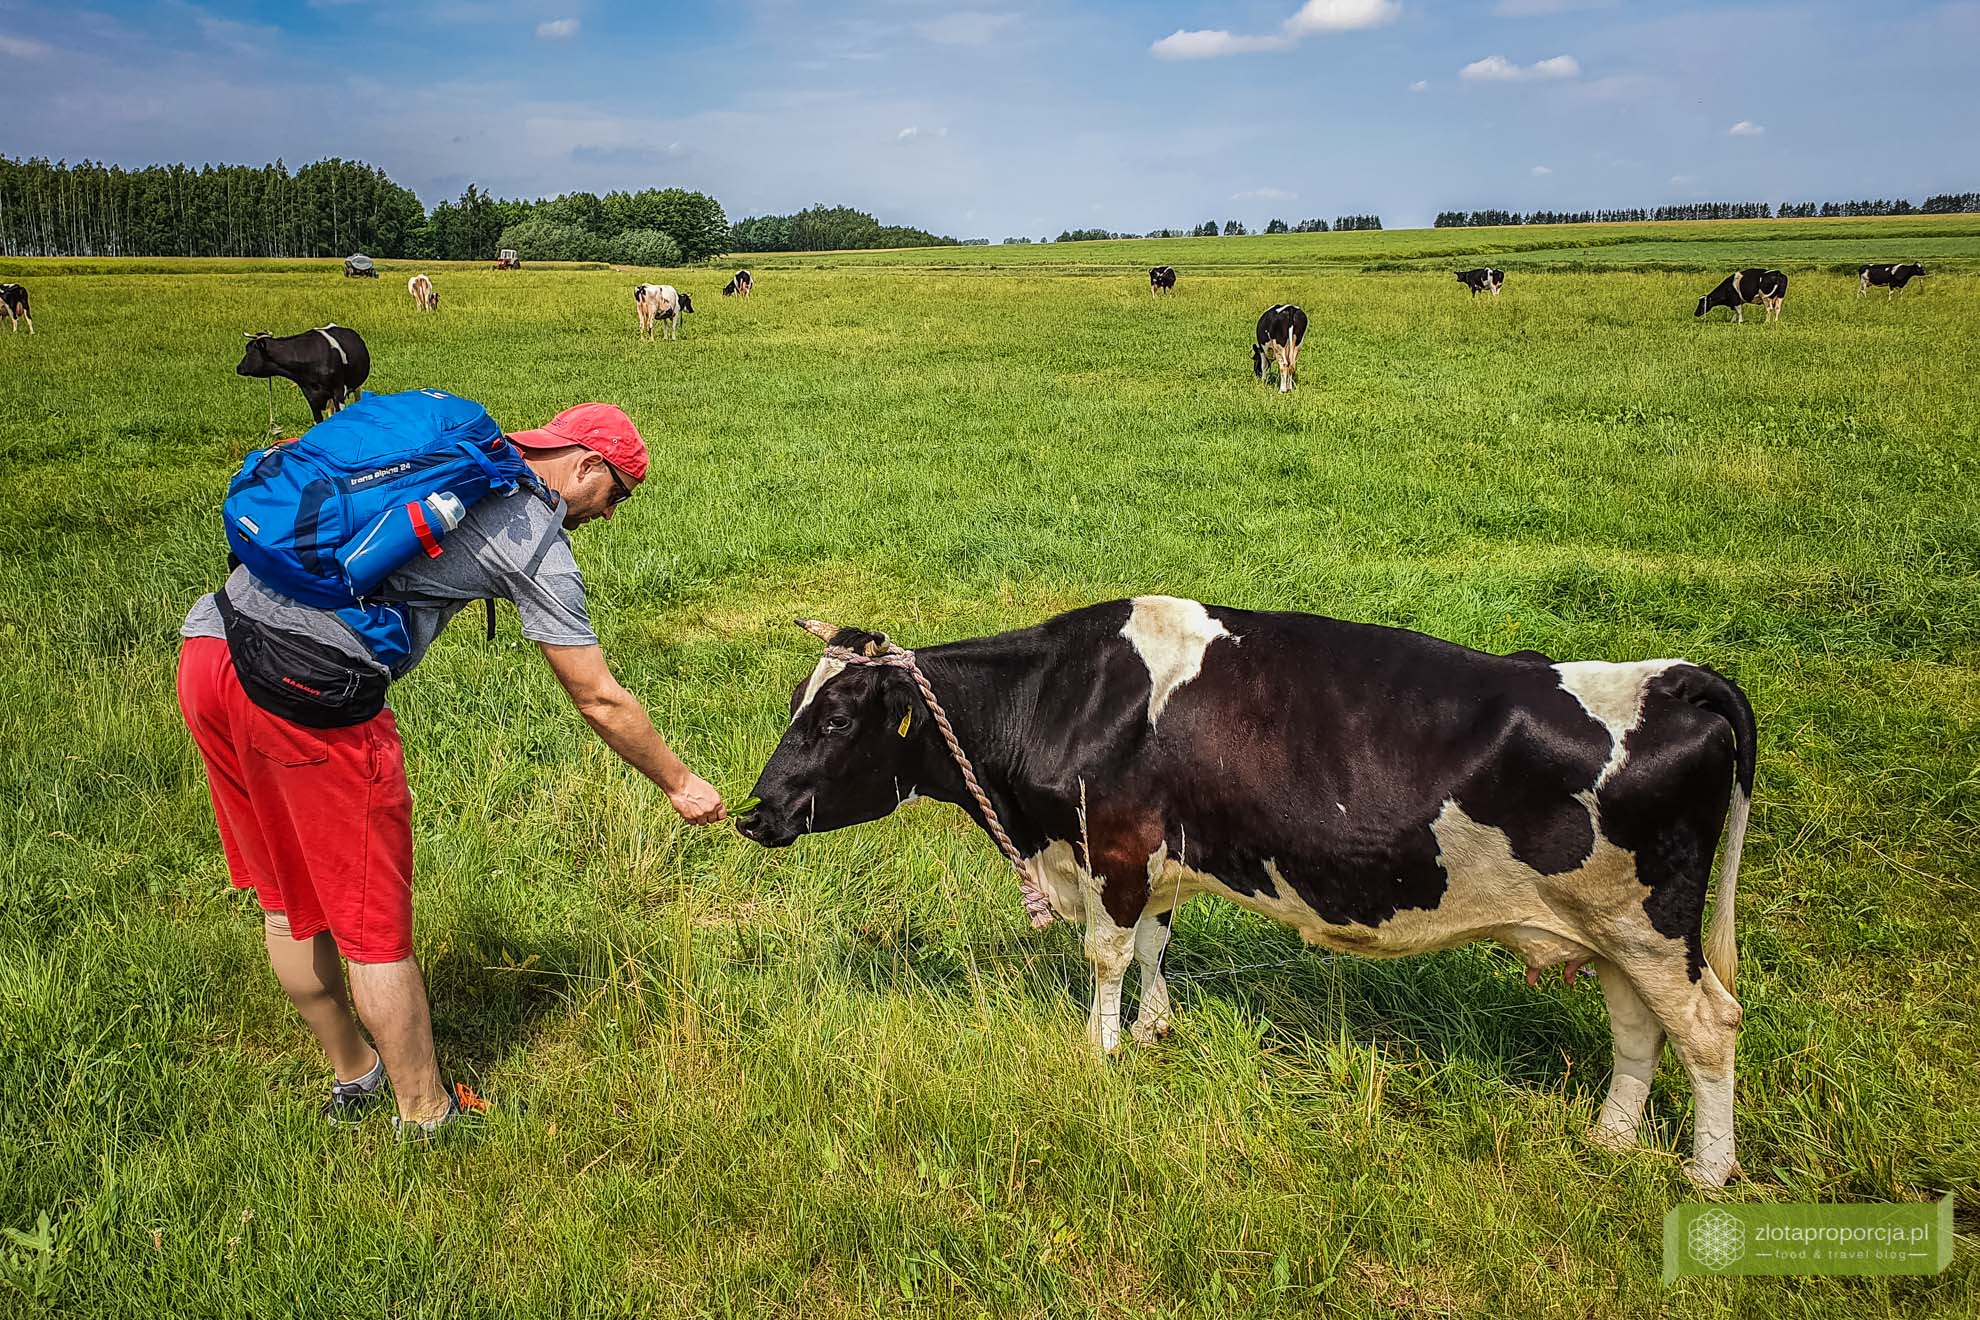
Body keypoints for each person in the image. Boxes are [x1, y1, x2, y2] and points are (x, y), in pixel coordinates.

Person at [176, 402, 725, 1138]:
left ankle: (355, 1075)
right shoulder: (531, 530)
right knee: (373, 930)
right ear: (587, 465)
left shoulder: (451, 445)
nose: (612, 514)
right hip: (302, 691)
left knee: (288, 898)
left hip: (211, 647)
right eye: (618, 494)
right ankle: (428, 1118)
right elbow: (598, 696)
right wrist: (681, 784)